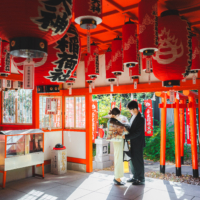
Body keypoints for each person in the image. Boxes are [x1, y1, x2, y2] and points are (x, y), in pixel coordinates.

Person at [122, 100, 145, 185]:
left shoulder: (141, 118)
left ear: (135, 109)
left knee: (138, 161)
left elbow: (138, 132)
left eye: (130, 110)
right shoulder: (133, 116)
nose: (130, 111)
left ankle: (141, 178)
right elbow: (131, 129)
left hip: (138, 143)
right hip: (131, 142)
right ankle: (135, 177)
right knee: (132, 160)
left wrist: (127, 136)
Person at [107, 107, 128, 185]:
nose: (119, 116)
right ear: (116, 114)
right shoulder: (115, 121)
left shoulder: (110, 121)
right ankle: (117, 178)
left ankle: (117, 177)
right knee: (118, 158)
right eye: (119, 115)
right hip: (118, 141)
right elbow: (123, 131)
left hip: (115, 141)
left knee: (117, 158)